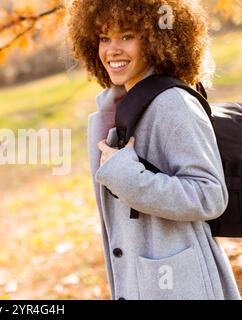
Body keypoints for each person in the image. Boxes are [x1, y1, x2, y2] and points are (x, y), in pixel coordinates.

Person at [67, 0, 240, 300]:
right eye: (104, 38)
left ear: (156, 38)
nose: (112, 50)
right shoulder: (120, 105)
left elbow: (210, 195)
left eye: (127, 36)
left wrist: (129, 177)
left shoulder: (172, 103)